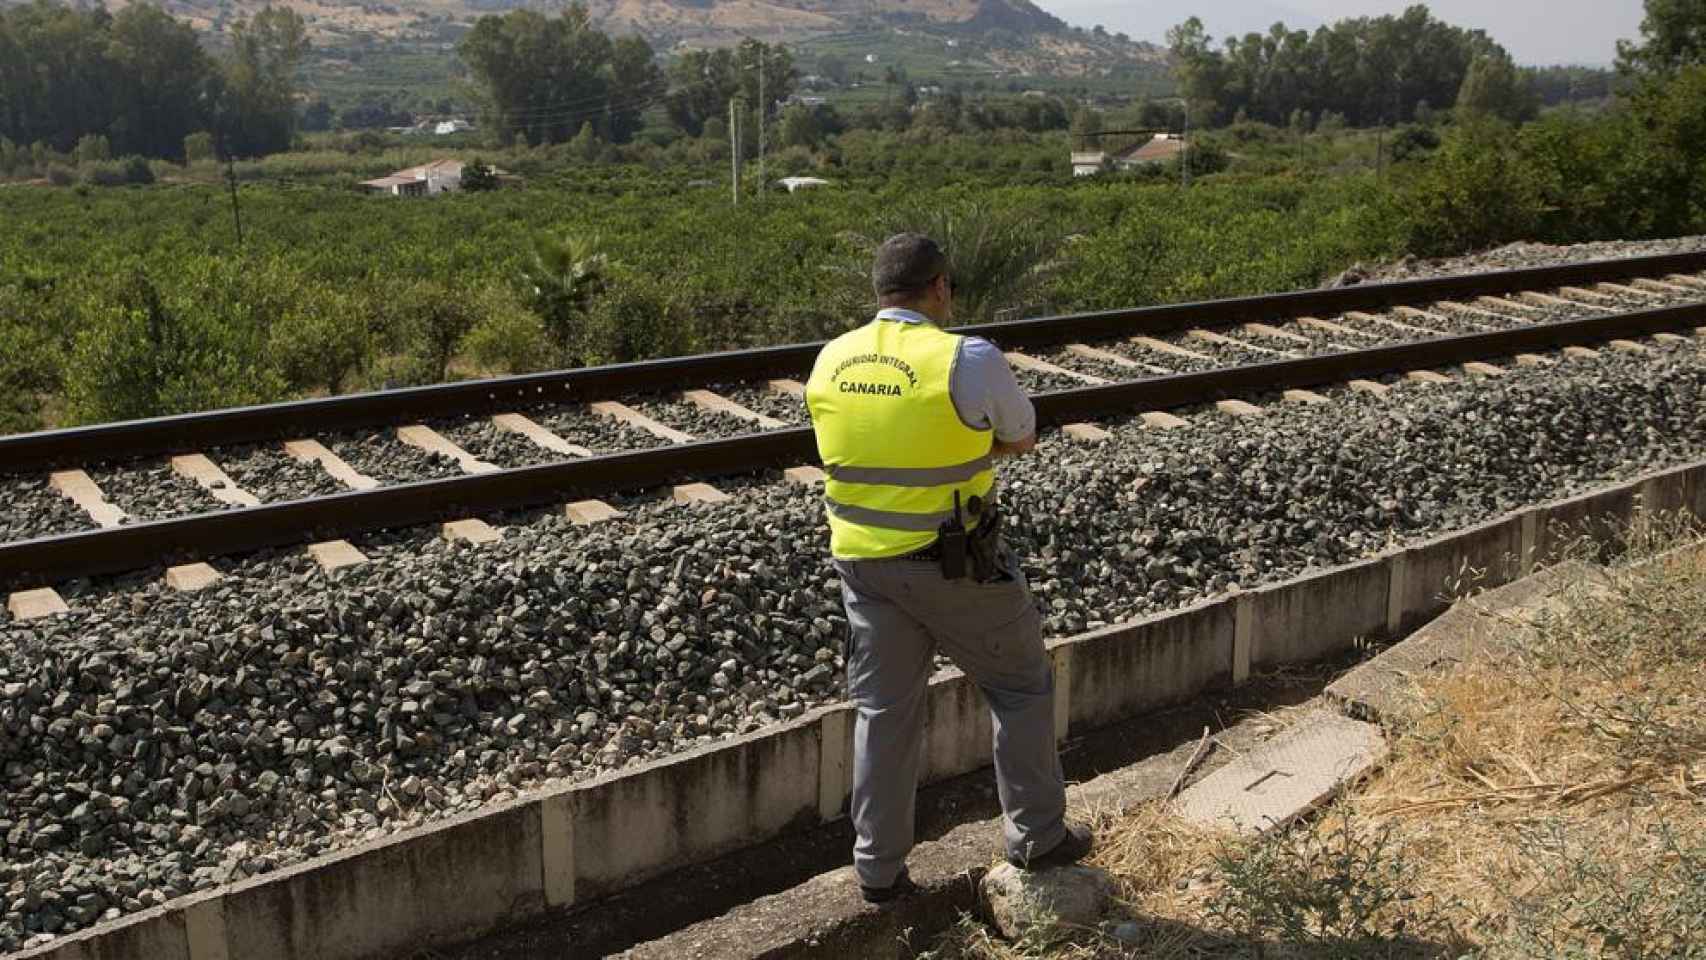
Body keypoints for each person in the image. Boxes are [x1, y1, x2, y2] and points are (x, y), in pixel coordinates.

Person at [804, 233, 1093, 905]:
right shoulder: (966, 357)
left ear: (879, 293)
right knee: (1020, 687)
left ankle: (877, 873)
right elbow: (1021, 435)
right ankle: (1038, 839)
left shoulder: (830, 358)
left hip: (863, 565)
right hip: (954, 564)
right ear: (939, 289)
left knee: (884, 712)